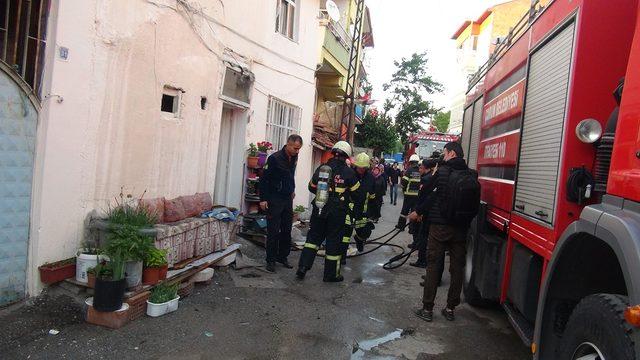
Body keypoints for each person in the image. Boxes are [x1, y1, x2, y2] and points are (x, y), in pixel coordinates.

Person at [410, 141, 480, 322]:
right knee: (457, 269)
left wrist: (418, 212)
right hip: (461, 230)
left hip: (439, 227)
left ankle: (427, 309)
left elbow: (428, 194)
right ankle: (450, 308)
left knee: (433, 266)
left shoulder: (441, 172)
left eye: (445, 152)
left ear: (452, 154)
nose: (444, 156)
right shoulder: (472, 175)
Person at [297, 141, 364, 282]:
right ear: (346, 155)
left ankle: (302, 268)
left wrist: (324, 193)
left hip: (320, 208)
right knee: (334, 242)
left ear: (333, 153)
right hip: (337, 212)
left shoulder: (322, 168)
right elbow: (358, 194)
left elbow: (311, 187)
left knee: (312, 239)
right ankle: (330, 275)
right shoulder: (348, 172)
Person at [259, 134, 303, 273]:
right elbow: (264, 179)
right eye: (295, 148)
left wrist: (292, 189)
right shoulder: (274, 158)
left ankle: (282, 257)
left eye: (299, 149)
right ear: (288, 144)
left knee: (286, 230)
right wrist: (263, 199)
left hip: (287, 198)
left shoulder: (294, 157)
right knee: (273, 230)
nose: (297, 151)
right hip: (274, 197)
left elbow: (290, 175)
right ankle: (270, 260)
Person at [341, 152, 375, 263]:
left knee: (364, 232)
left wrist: (374, 212)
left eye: (363, 168)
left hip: (362, 211)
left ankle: (359, 240)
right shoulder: (350, 174)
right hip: (349, 210)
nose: (361, 169)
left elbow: (373, 196)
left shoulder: (370, 178)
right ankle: (342, 256)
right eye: (359, 167)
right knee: (345, 234)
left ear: (366, 167)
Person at [408, 159, 438, 268]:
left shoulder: (427, 179)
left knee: (423, 236)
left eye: (421, 168)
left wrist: (419, 212)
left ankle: (422, 260)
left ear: (428, 168)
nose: (419, 170)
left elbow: (424, 197)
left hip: (425, 212)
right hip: (425, 211)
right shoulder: (430, 177)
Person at [395, 154, 421, 234]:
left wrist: (403, 189)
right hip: (417, 196)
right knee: (414, 211)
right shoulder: (420, 170)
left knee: (404, 211)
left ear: (410, 162)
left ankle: (401, 226)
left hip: (408, 195)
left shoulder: (409, 170)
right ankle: (412, 229)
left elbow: (403, 182)